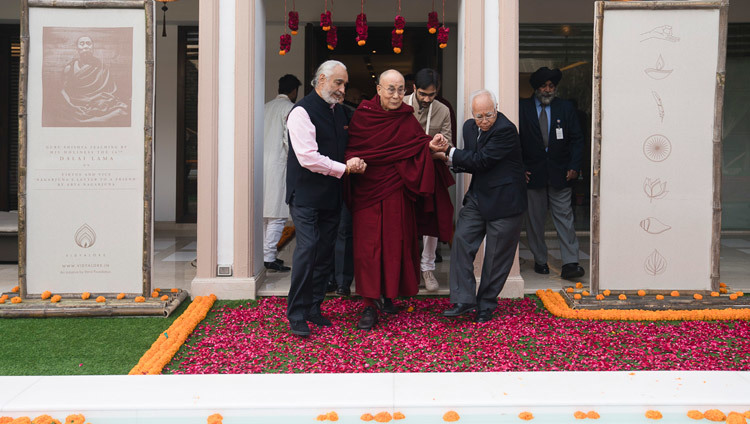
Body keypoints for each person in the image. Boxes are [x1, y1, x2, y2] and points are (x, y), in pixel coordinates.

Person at [346, 69, 452, 331]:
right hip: (369, 191)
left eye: (400, 89)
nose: (396, 94)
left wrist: (431, 145)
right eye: (390, 89)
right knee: (369, 249)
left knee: (396, 244)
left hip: (397, 191)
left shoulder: (406, 117)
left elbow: (415, 144)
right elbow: (353, 148)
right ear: (379, 89)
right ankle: (370, 303)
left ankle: (389, 294)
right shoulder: (364, 115)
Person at [285, 60, 366, 337]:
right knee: (307, 251)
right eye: (338, 83)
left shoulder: (340, 113)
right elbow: (307, 157)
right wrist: (345, 168)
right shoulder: (300, 112)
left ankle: (313, 308)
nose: (343, 89)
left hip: (331, 196)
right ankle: (296, 313)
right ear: (321, 80)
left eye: (344, 84)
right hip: (305, 196)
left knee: (324, 255)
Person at [434, 89, 527, 323]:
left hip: (505, 202)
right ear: (472, 114)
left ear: (497, 109)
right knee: (462, 242)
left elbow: (483, 160)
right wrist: (451, 157)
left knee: (496, 258)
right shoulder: (468, 127)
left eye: (489, 115)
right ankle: (464, 300)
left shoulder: (506, 129)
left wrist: (449, 152)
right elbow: (473, 160)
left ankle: (485, 304)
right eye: (479, 116)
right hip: (478, 197)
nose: (484, 121)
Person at [519, 67, 585, 280]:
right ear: (536, 88)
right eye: (544, 86)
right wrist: (520, 168)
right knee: (535, 221)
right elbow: (514, 141)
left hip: (561, 174)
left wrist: (574, 166)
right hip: (532, 174)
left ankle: (570, 262)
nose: (548, 89)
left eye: (551, 86)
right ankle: (540, 260)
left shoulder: (565, 108)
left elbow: (577, 139)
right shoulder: (523, 107)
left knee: (565, 219)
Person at [403, 68, 454, 292]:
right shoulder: (401, 104)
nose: (426, 99)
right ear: (414, 88)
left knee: (431, 221)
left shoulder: (442, 110)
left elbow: (448, 147)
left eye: (431, 95)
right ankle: (408, 269)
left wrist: (438, 146)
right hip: (403, 171)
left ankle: (427, 268)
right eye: (422, 94)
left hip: (431, 172)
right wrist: (427, 147)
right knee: (405, 220)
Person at [262, 74, 301, 273]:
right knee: (277, 214)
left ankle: (263, 253)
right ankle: (268, 256)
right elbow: (289, 141)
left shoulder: (264, 107)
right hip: (279, 165)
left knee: (263, 214)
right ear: (294, 91)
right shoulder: (290, 109)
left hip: (261, 165)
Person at [61, 35, 129, 124]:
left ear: (92, 47)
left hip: (98, 101)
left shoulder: (101, 66)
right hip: (77, 101)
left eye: (88, 43)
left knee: (120, 109)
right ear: (77, 47)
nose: (85, 46)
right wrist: (71, 104)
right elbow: (62, 90)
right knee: (63, 111)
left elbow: (110, 90)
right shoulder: (69, 67)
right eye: (82, 44)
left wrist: (100, 100)